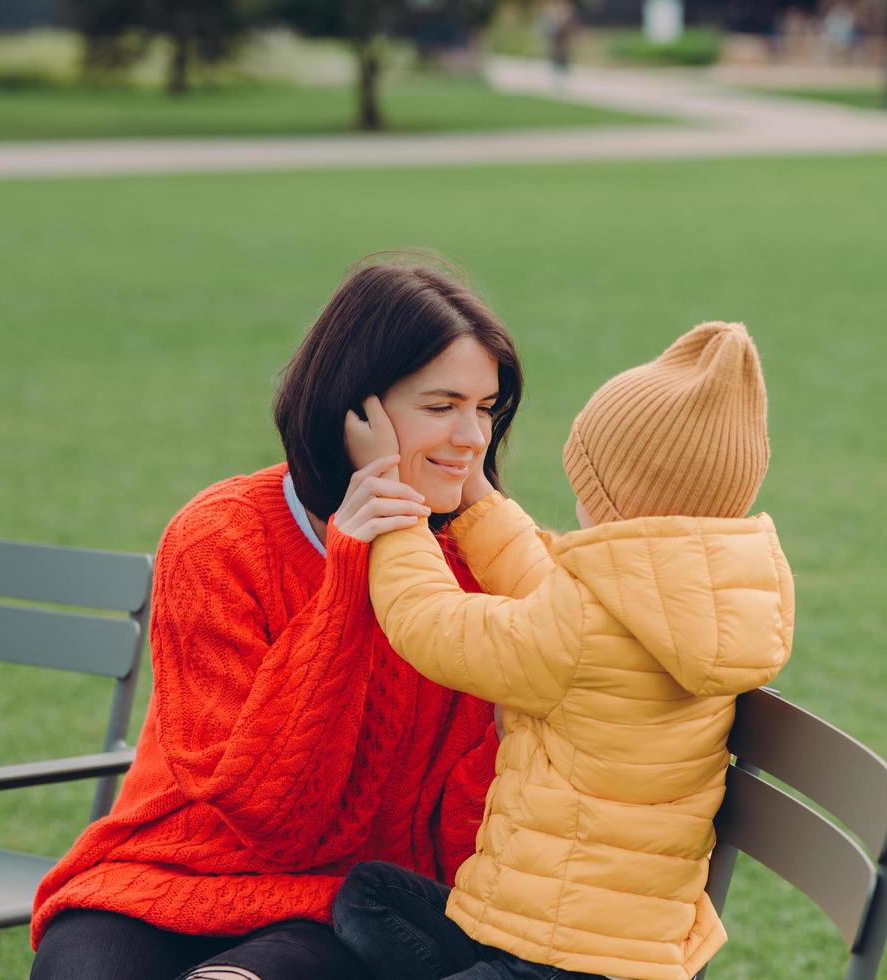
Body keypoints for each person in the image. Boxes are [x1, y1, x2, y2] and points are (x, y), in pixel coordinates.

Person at [28, 259, 523, 980]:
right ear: (357, 410)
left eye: (486, 408)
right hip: (166, 871)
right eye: (442, 405)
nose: (473, 437)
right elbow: (267, 809)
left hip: (344, 901)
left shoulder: (479, 563)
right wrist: (350, 575)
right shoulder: (218, 537)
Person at [331, 321, 796, 980]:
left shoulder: (586, 629)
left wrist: (397, 504)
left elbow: (432, 624)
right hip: (594, 935)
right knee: (371, 895)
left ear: (611, 496)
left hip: (571, 961)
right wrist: (479, 499)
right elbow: (545, 583)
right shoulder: (693, 590)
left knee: (370, 908)